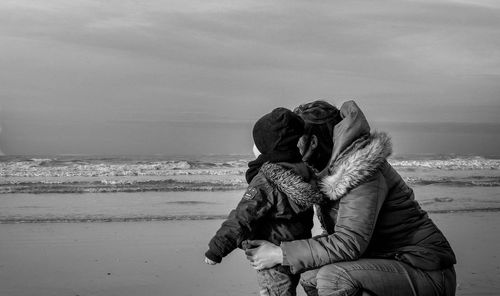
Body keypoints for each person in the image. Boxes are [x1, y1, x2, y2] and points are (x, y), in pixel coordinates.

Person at [244, 100, 457, 296]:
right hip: (385, 261)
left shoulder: (362, 172)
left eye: (293, 141)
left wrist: (280, 254)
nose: (287, 149)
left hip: (426, 271)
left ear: (314, 142)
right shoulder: (327, 171)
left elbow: (349, 242)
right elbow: (337, 238)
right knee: (311, 275)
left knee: (333, 278)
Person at [204, 107, 325, 296]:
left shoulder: (266, 180)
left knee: (275, 292)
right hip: (296, 251)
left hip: (270, 254)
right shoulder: (305, 172)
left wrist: (217, 249)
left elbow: (243, 216)